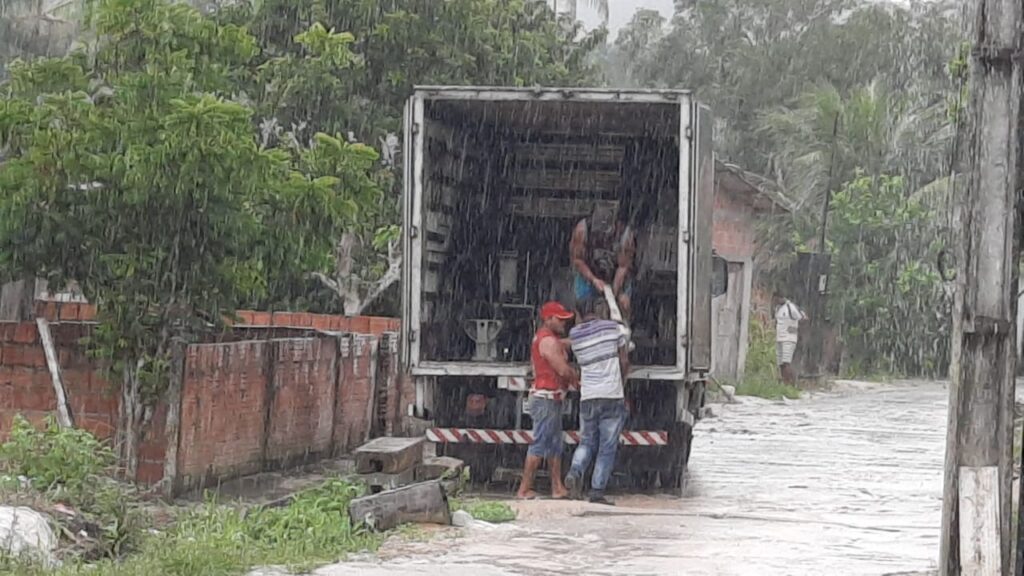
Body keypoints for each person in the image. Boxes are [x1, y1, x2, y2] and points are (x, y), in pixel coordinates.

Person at [564, 297, 630, 505]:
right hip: (611, 395)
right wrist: (622, 382)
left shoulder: (575, 335)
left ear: (578, 314)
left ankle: (575, 471)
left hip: (588, 396)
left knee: (586, 442)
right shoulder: (612, 329)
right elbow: (624, 359)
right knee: (606, 447)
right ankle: (596, 491)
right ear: (599, 309)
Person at [518, 301, 578, 500]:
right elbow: (562, 369)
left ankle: (557, 487)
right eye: (560, 319)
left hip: (550, 398)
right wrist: (578, 380)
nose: (563, 323)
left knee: (553, 445)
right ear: (548, 319)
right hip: (546, 398)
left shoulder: (546, 338)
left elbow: (564, 343)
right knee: (541, 444)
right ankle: (524, 489)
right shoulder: (549, 341)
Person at [570, 203, 636, 321]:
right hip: (589, 272)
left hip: (615, 273)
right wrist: (593, 279)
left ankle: (622, 327)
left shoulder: (625, 235)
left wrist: (614, 291)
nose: (602, 236)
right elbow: (577, 260)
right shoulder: (582, 230)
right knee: (583, 307)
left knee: (623, 304)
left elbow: (623, 266)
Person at [774, 293, 808, 386]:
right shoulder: (778, 308)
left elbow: (803, 318)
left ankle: (791, 383)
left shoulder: (791, 307)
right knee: (781, 363)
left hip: (789, 338)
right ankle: (785, 382)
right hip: (779, 338)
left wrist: (794, 329)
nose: (776, 301)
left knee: (786, 362)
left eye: (777, 299)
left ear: (782, 298)